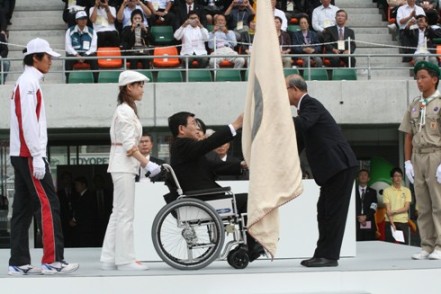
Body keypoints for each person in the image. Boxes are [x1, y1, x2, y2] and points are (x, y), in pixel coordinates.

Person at [8, 38, 79, 275]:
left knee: (22, 209)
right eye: (48, 57)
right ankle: (52, 260)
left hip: (21, 153)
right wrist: (38, 156)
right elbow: (28, 121)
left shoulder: (27, 81)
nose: (51, 61)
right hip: (29, 154)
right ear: (35, 58)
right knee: (49, 204)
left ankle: (17, 262)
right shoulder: (28, 83)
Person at [167, 111, 264, 262]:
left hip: (204, 198)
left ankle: (251, 244)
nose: (197, 128)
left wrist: (241, 165)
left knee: (248, 200)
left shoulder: (185, 149)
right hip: (202, 200)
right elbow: (209, 144)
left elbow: (214, 166)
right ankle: (251, 245)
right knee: (248, 200)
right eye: (193, 124)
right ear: (181, 129)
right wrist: (236, 124)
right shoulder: (182, 145)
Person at [285, 74, 358, 267]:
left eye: (284, 89)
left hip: (340, 166)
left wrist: (278, 116)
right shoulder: (304, 110)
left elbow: (302, 124)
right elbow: (298, 142)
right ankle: (322, 253)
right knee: (323, 212)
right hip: (332, 170)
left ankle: (329, 256)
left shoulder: (310, 104)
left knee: (333, 213)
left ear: (295, 89)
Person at [100, 70, 161, 271]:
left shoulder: (126, 110)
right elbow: (129, 146)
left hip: (122, 165)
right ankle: (125, 260)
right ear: (129, 87)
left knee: (117, 212)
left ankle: (108, 257)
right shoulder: (125, 111)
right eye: (139, 85)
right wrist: (147, 163)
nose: (142, 88)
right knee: (125, 213)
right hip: (124, 165)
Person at [399, 61, 441, 260]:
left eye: (423, 77)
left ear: (434, 79)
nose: (419, 81)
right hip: (418, 155)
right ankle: (427, 244)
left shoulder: (439, 103)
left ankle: (440, 246)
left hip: (436, 154)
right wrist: (407, 161)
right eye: (417, 78)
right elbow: (408, 134)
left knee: (438, 203)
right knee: (422, 204)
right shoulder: (415, 104)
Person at [65, 10, 99, 83]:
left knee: (94, 59)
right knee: (68, 59)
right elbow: (68, 46)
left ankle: (96, 81)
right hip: (74, 54)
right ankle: (67, 81)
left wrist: (85, 55)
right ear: (76, 20)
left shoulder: (92, 31)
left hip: (87, 54)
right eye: (81, 19)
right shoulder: (69, 31)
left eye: (85, 18)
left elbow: (93, 47)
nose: (84, 20)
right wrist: (76, 55)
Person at [383, 167, 411, 244]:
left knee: (404, 245)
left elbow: (406, 208)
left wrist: (394, 211)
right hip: (390, 221)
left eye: (400, 176)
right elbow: (388, 210)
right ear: (392, 178)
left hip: (403, 221)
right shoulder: (387, 190)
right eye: (396, 176)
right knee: (389, 245)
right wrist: (392, 224)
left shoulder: (406, 190)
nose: (398, 178)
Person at [71, 176, 99, 247]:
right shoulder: (80, 196)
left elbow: (85, 212)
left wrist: (75, 220)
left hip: (86, 228)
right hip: (83, 228)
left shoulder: (88, 196)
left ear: (83, 185)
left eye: (77, 184)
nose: (76, 187)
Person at [355, 169, 378, 241]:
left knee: (369, 246)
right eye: (361, 175)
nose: (363, 176)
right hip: (355, 223)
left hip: (369, 222)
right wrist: (358, 216)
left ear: (368, 178)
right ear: (357, 178)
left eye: (365, 175)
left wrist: (366, 217)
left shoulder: (372, 192)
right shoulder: (352, 192)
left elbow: (374, 206)